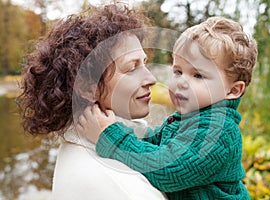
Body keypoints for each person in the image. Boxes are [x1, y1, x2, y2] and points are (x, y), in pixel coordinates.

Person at [77, 16, 258, 200]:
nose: (181, 82)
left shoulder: (219, 133)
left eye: (198, 75)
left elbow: (166, 170)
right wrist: (117, 125)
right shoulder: (188, 118)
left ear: (233, 90)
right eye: (178, 71)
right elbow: (156, 145)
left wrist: (110, 136)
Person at [17, 4, 168, 200]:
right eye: (132, 68)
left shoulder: (84, 148)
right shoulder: (118, 184)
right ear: (88, 87)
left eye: (144, 63)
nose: (151, 79)